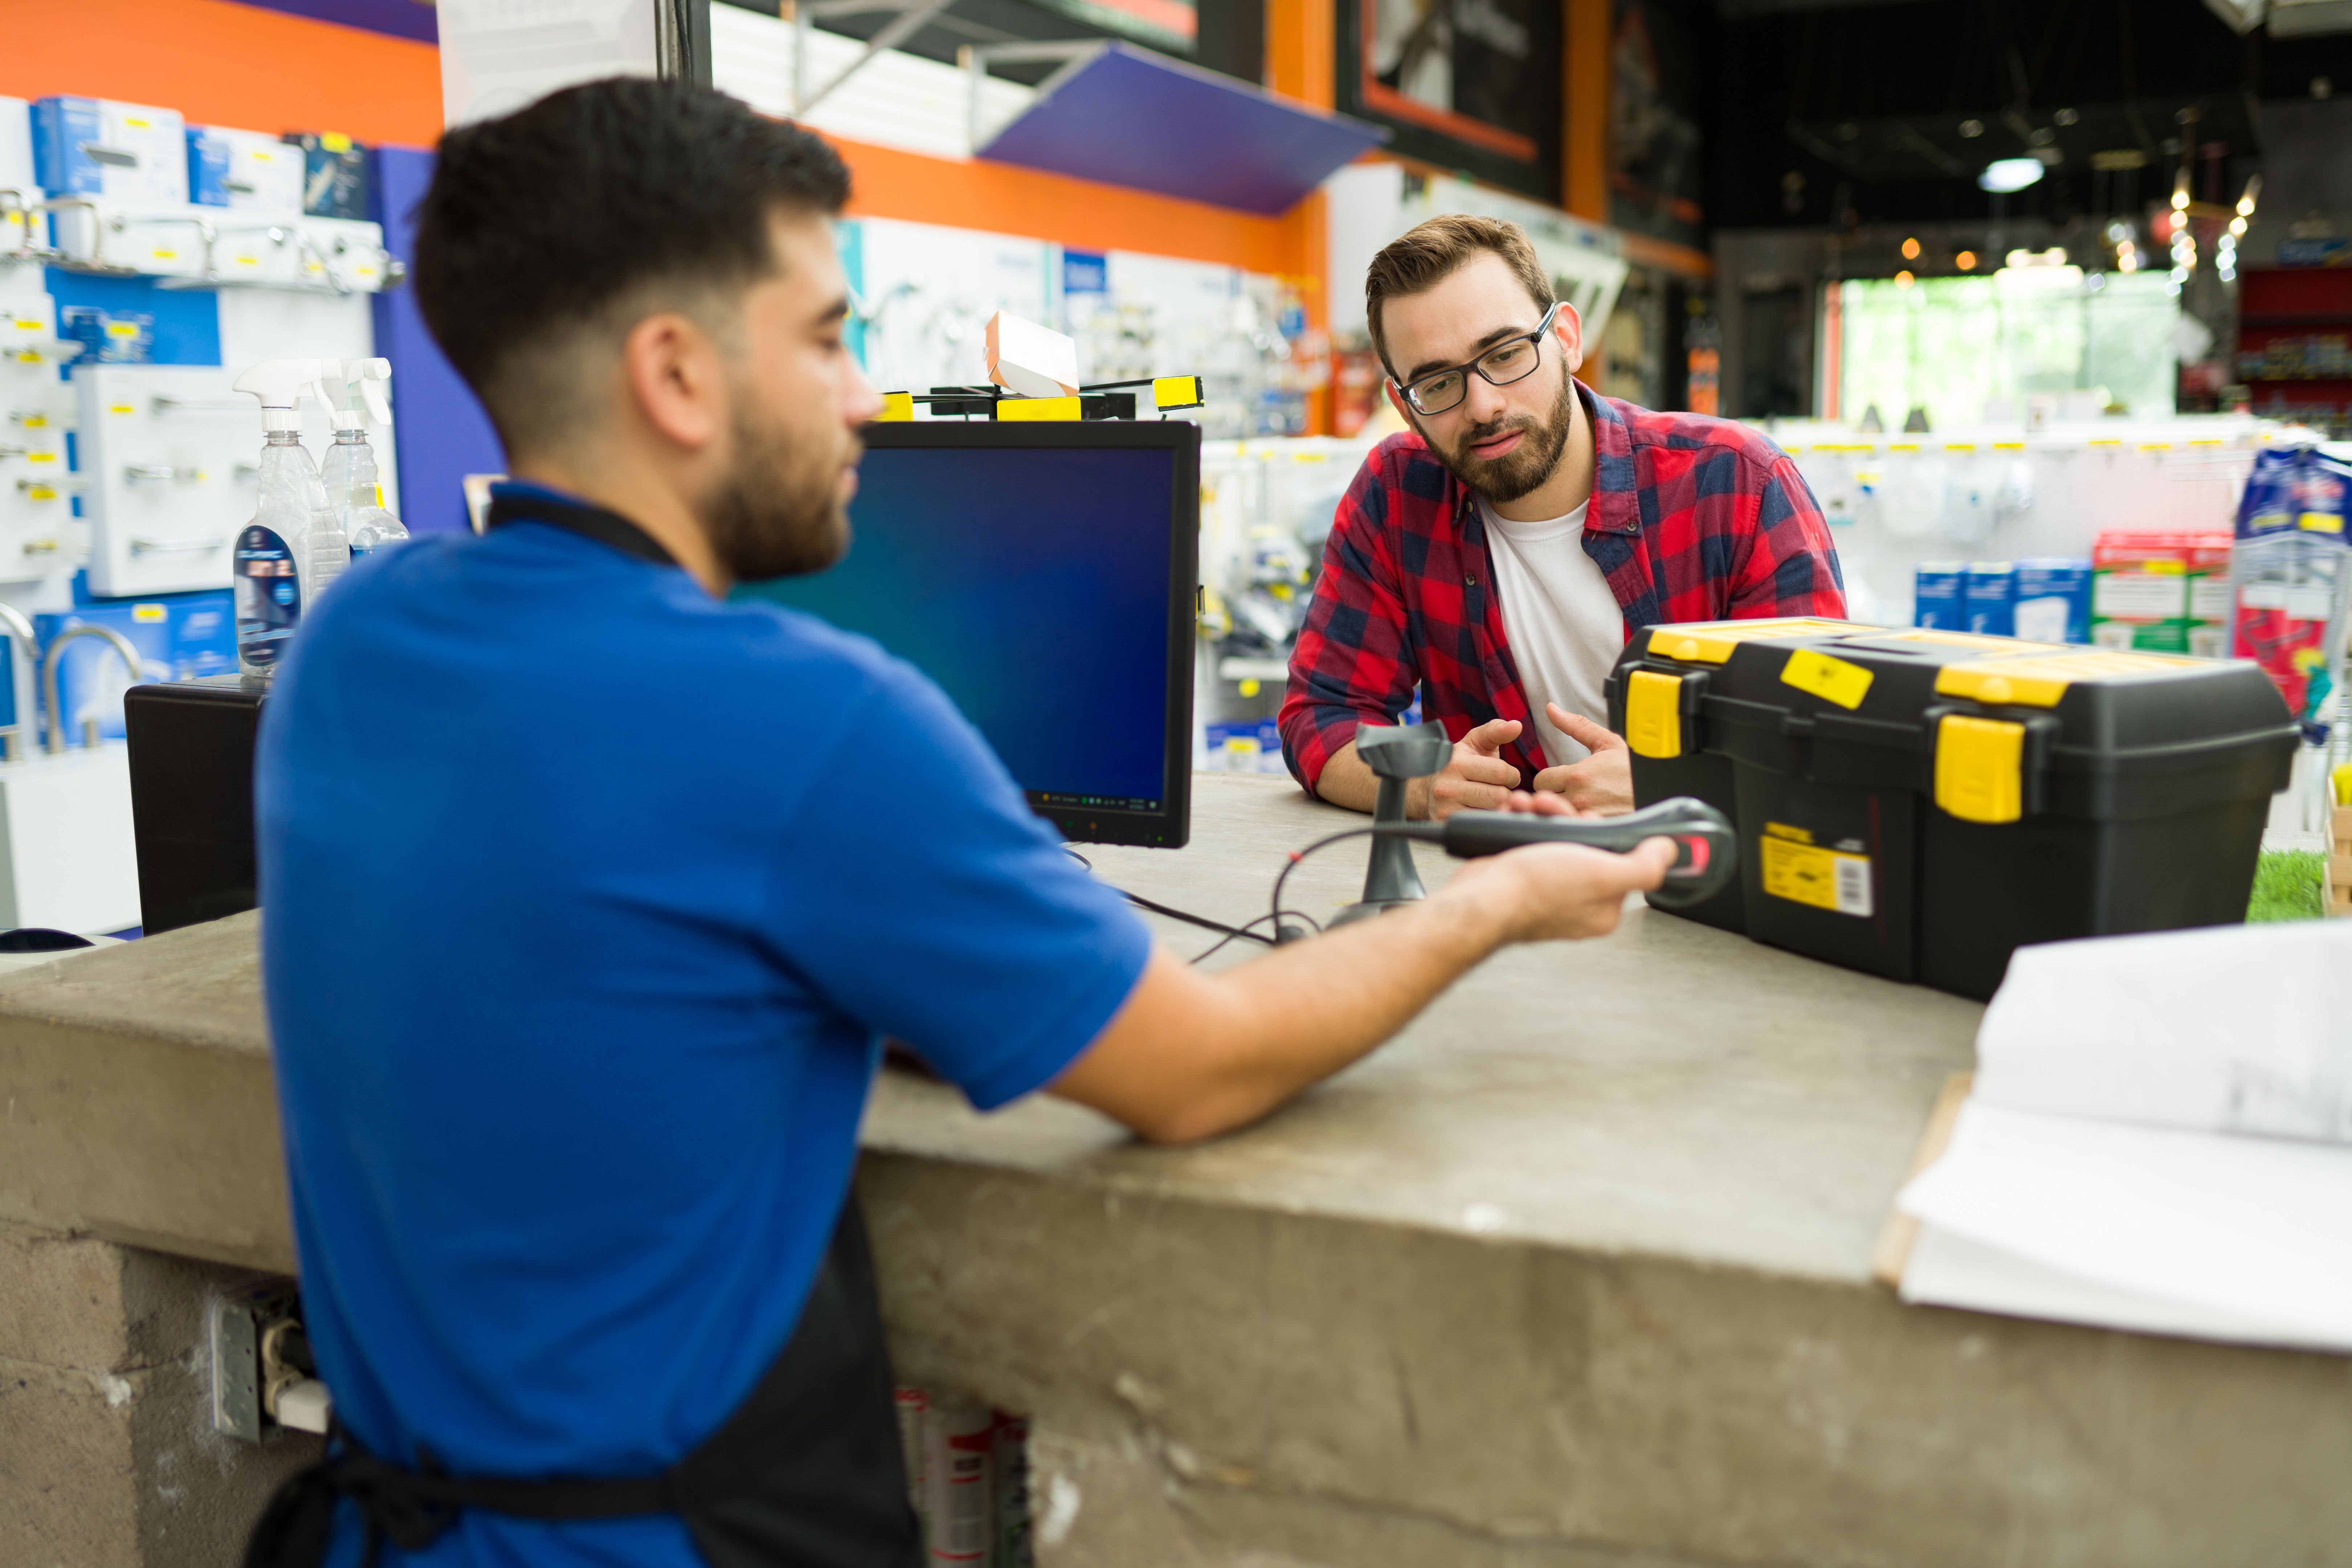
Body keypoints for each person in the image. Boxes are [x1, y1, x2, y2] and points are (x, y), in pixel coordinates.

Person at [249, 80, 1678, 1568]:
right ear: (676, 375)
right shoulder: (810, 721)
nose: (864, 393)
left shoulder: (349, 644)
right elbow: (1199, 1071)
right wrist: (1493, 905)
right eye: (823, 336)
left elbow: (598, 960)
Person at [1280, 216, 1846, 821]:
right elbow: (1322, 715)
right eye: (1437, 382)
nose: (1484, 405)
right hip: (1503, 888)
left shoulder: (1738, 483)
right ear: (1404, 404)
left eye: (1504, 354)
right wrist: (1414, 783)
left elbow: (1822, 734)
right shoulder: (1398, 494)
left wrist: (1673, 786)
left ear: (1567, 340)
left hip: (1708, 889)